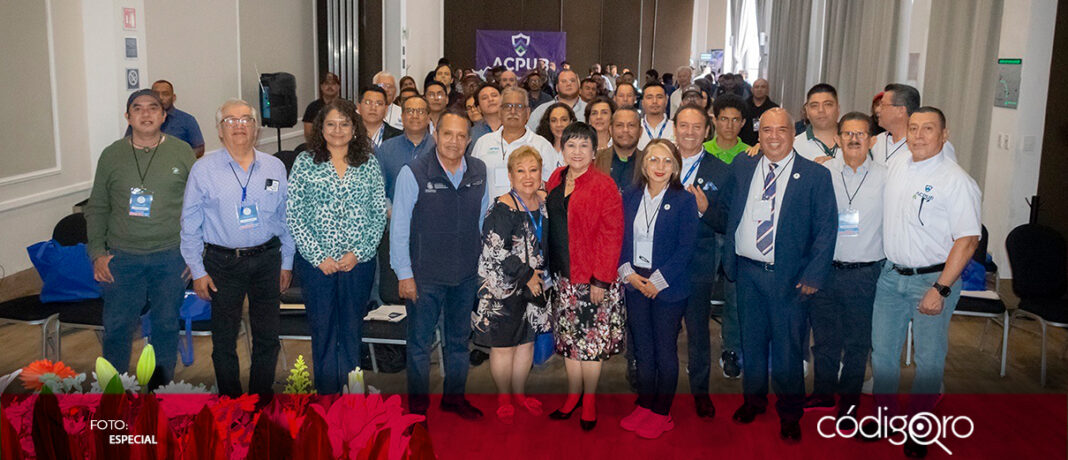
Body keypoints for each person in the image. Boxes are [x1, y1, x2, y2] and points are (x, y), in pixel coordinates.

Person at [868, 107, 980, 458]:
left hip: (933, 279)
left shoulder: (956, 180)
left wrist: (941, 288)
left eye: (927, 129)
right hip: (891, 277)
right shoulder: (900, 164)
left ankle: (920, 427)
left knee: (929, 360)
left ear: (944, 135)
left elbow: (968, 240)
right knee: (883, 355)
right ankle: (884, 416)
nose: (918, 135)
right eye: (913, 128)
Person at [721, 108, 837, 442]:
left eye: (781, 130)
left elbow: (827, 229)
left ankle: (790, 412)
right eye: (767, 130)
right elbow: (728, 210)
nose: (773, 136)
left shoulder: (814, 175)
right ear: (758, 134)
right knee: (751, 343)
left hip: (788, 277)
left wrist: (814, 276)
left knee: (787, 349)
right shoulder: (743, 165)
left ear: (793, 133)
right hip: (747, 272)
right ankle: (753, 401)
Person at [181, 98, 295, 398]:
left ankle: (260, 399)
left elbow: (286, 218)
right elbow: (190, 224)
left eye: (246, 119)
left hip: (267, 259)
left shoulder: (274, 166)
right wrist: (197, 270)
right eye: (231, 120)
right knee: (224, 339)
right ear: (220, 130)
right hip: (222, 263)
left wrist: (287, 262)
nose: (240, 125)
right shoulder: (203, 170)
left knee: (267, 336)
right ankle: (231, 403)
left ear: (256, 127)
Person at [86, 89, 195, 382]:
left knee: (166, 327)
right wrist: (97, 253)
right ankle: (114, 393)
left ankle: (160, 393)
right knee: (118, 328)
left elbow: (198, 207)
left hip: (171, 256)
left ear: (163, 115)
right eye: (138, 108)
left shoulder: (182, 151)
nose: (145, 114)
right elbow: (97, 207)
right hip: (122, 258)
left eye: (152, 108)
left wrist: (195, 255)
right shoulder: (112, 154)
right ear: (128, 117)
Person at [390, 110, 490, 419]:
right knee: (420, 345)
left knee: (459, 341)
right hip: (425, 276)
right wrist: (404, 274)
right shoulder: (413, 172)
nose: (454, 141)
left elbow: (483, 221)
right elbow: (400, 229)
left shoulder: (479, 171)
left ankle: (454, 398)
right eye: (448, 134)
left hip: (464, 274)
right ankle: (417, 407)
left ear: (468, 140)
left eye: (461, 136)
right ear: (436, 135)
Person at [286, 99, 387, 394]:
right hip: (318, 266)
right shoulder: (306, 162)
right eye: (331, 124)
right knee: (324, 331)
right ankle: (328, 397)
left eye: (344, 123)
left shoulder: (368, 163)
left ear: (354, 128)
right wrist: (319, 257)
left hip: (358, 263)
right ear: (321, 128)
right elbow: (295, 214)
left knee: (352, 330)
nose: (338, 130)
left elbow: (378, 213)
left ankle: (352, 396)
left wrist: (358, 253)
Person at [804, 112, 887, 421]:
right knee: (824, 339)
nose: (853, 139)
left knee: (857, 342)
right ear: (837, 139)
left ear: (872, 140)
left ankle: (849, 401)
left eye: (861, 134)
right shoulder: (821, 172)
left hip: (865, 273)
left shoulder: (886, 176)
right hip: (825, 269)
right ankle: (824, 393)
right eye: (848, 134)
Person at [544, 122, 625, 431]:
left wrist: (601, 280)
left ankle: (588, 399)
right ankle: (572, 395)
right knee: (568, 342)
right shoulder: (555, 178)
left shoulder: (604, 186)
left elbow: (612, 235)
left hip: (592, 280)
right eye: (571, 145)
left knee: (590, 346)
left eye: (583, 146)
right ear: (562, 149)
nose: (576, 152)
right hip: (563, 278)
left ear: (594, 152)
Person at [617, 139, 698, 439]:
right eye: (653, 160)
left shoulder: (684, 200)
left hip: (669, 288)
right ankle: (645, 403)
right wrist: (628, 273)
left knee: (665, 351)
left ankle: (662, 412)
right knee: (642, 350)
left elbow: (686, 248)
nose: (660, 167)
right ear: (644, 164)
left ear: (676, 166)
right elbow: (621, 238)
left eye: (667, 161)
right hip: (635, 282)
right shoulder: (631, 195)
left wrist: (657, 282)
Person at [472, 146, 552, 424]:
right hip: (503, 289)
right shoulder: (502, 206)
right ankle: (504, 396)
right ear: (510, 175)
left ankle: (519, 393)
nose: (528, 176)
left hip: (535, 287)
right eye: (521, 170)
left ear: (541, 173)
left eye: (533, 170)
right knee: (504, 346)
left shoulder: (543, 204)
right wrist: (526, 273)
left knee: (526, 344)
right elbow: (494, 250)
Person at [666, 105, 735, 418]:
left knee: (697, 331)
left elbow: (727, 221)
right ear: (675, 128)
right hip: (660, 261)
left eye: (696, 127)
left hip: (698, 262)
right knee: (662, 330)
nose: (689, 132)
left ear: (707, 131)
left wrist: (706, 209)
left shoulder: (721, 170)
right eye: (683, 125)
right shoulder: (660, 161)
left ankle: (701, 392)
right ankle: (658, 387)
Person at [472, 87, 560, 198]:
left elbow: (552, 186)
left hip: (529, 214)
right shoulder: (483, 143)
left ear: (528, 113)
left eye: (519, 106)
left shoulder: (542, 145)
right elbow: (474, 184)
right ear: (500, 112)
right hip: (489, 214)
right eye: (507, 106)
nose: (513, 111)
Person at [872, 83, 959, 166]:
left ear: (900, 110)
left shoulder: (936, 144)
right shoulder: (877, 141)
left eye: (883, 105)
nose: (878, 110)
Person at [124, 80, 205, 157]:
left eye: (165, 94)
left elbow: (199, 148)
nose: (161, 97)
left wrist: (179, 159)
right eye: (156, 94)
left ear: (173, 97)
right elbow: (127, 145)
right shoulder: (142, 120)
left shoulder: (187, 120)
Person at [377, 96, 435, 202]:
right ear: (402, 117)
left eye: (420, 111)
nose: (415, 116)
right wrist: (389, 209)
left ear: (428, 118)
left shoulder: (438, 148)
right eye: (409, 111)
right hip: (394, 214)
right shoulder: (387, 148)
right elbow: (378, 188)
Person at [594, 107, 642, 193]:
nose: (625, 130)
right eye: (619, 125)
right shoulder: (596, 160)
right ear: (610, 130)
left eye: (631, 125)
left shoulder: (648, 162)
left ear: (640, 131)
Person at [794, 84, 841, 162]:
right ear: (807, 111)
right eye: (814, 105)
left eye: (828, 104)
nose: (821, 110)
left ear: (838, 109)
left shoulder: (857, 142)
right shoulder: (794, 147)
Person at [303, 72, 341, 143]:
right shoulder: (312, 107)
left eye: (333, 84)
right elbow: (308, 134)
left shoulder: (347, 106)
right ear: (321, 87)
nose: (330, 86)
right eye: (326, 84)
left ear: (338, 87)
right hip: (318, 146)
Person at [740, 78, 778, 146]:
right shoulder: (742, 106)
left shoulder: (774, 109)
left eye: (763, 87)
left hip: (766, 146)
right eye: (756, 87)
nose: (759, 89)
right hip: (744, 144)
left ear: (767, 90)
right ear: (752, 89)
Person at [637, 83, 674, 150]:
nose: (654, 101)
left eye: (659, 97)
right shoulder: (634, 127)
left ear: (666, 100)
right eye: (649, 97)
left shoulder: (675, 128)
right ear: (642, 102)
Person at [467, 83, 502, 151]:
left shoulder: (515, 129)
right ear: (479, 108)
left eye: (494, 95)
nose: (490, 99)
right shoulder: (471, 134)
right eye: (484, 98)